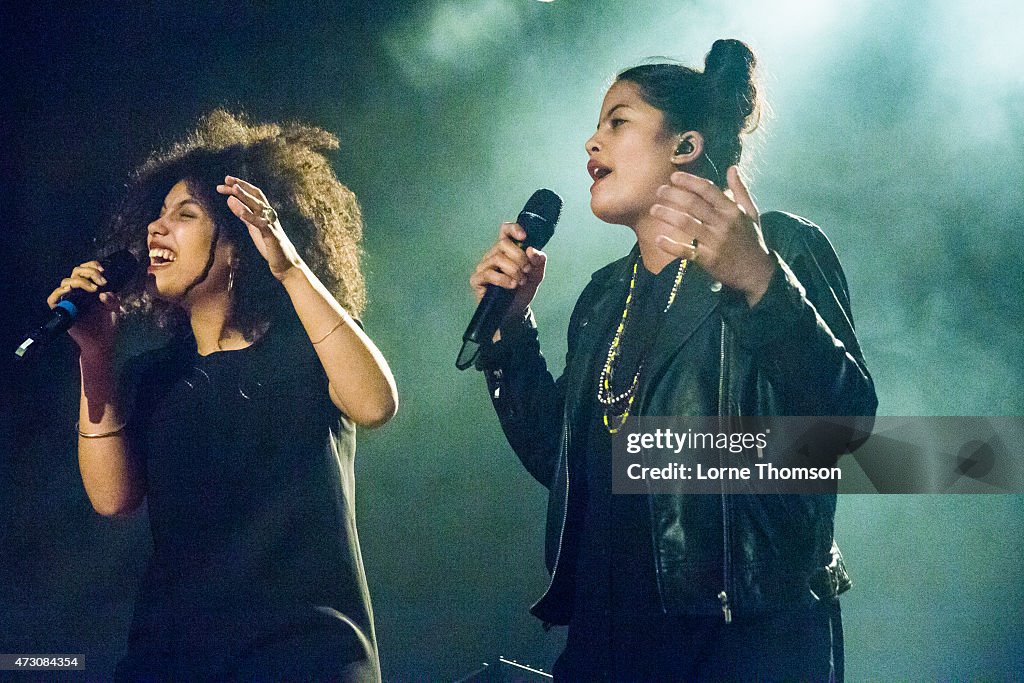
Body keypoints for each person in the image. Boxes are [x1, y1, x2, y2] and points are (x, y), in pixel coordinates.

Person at [469, 39, 876, 680]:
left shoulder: (782, 248)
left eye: (618, 121)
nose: (590, 143)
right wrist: (510, 338)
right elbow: (566, 462)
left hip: (739, 646)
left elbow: (845, 430)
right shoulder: (604, 296)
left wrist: (761, 282)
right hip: (606, 640)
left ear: (684, 146)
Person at [49, 110, 398, 681]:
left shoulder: (307, 350)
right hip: (172, 659)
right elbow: (112, 498)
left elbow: (376, 404)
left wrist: (286, 264)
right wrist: (95, 354)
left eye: (184, 215)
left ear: (239, 245)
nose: (155, 230)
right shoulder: (152, 378)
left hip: (303, 657)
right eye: (156, 217)